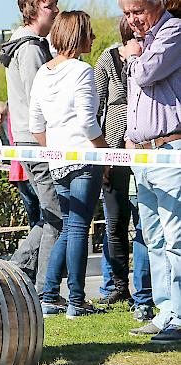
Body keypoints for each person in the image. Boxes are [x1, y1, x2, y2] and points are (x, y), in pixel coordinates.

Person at [31, 10, 108, 318]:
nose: (94, 37)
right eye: (89, 32)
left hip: (57, 159)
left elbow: (36, 124)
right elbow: (89, 123)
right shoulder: (82, 70)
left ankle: (50, 293)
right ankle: (77, 299)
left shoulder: (43, 72)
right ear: (79, 35)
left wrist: (53, 149)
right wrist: (104, 156)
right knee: (78, 227)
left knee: (67, 226)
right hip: (84, 155)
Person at [118, 0, 181, 343]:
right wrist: (129, 138)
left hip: (169, 149)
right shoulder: (142, 43)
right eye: (127, 13)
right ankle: (165, 310)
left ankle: (180, 314)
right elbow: (136, 100)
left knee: (176, 237)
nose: (133, 20)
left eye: (138, 11)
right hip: (141, 153)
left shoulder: (173, 32)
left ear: (157, 4)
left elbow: (145, 73)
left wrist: (131, 56)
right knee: (153, 237)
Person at [94, 16, 154, 321]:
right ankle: (118, 286)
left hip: (145, 147)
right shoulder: (107, 58)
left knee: (146, 221)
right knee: (115, 222)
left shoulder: (154, 56)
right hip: (115, 150)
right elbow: (96, 105)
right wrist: (102, 154)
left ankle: (146, 290)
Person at [4, 0, 62, 299]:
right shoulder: (29, 49)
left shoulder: (24, 45)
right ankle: (44, 290)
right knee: (56, 215)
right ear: (37, 7)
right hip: (37, 140)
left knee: (51, 214)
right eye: (52, 5)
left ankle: (17, 270)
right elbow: (40, 99)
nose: (56, 11)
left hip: (29, 139)